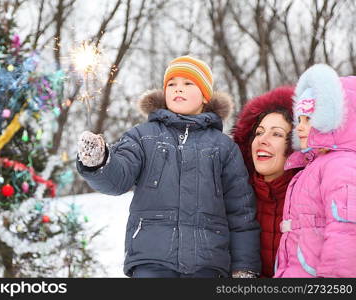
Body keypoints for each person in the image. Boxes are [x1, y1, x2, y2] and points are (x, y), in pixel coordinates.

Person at [76, 56, 261, 278]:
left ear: (204, 96)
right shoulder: (143, 137)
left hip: (207, 264)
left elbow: (240, 212)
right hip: (152, 259)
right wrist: (100, 161)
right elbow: (118, 179)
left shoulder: (223, 147)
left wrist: (244, 267)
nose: (177, 89)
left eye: (187, 83)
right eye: (171, 84)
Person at [274, 64, 356, 277]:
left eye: (308, 119)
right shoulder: (312, 165)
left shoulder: (341, 165)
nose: (299, 127)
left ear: (335, 118)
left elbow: (346, 232)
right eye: (299, 119)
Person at [232, 86, 298, 277]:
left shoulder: (313, 196)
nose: (263, 140)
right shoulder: (234, 196)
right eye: (259, 132)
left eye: (276, 134)